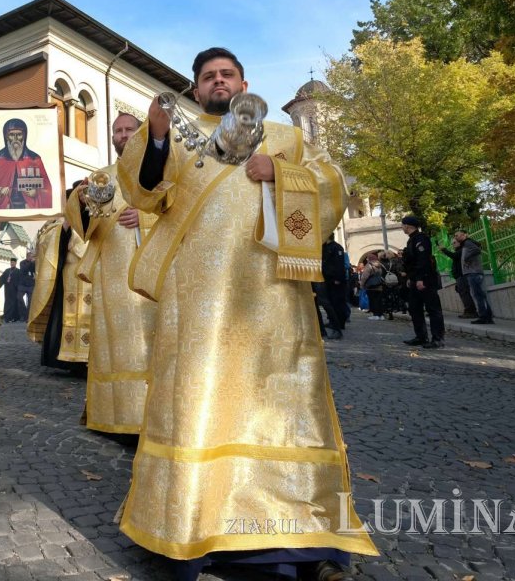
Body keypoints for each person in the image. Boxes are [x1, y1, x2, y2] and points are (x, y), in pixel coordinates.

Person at [118, 47, 378, 581]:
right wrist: (158, 132)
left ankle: (306, 549)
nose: (218, 81)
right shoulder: (174, 140)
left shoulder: (285, 138)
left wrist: (282, 177)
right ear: (195, 90)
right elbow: (141, 194)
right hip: (197, 304)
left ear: (243, 81)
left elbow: (333, 189)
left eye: (226, 74)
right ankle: (201, 539)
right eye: (208, 77)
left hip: (273, 300)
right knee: (198, 405)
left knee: (284, 408)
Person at [67, 112, 157, 435]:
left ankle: (150, 417)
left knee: (149, 344)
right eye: (117, 131)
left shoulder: (159, 171)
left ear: (141, 132)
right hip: (110, 274)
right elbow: (83, 225)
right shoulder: (100, 177)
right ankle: (113, 416)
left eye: (128, 129)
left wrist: (145, 217)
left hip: (150, 273)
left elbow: (180, 213)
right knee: (114, 346)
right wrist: (77, 201)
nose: (122, 135)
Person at [27, 185, 92, 373]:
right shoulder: (59, 221)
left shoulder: (100, 215)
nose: (83, 200)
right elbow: (47, 243)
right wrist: (65, 227)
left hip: (94, 276)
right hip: (70, 277)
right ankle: (68, 360)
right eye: (79, 197)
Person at [0, 117, 53, 209]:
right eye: (11, 135)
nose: (15, 139)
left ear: (25, 136)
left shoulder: (34, 159)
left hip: (28, 208)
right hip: (5, 209)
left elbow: (47, 189)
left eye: (19, 134)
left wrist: (36, 191)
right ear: (6, 136)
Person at [400, 215, 445, 349]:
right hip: (415, 279)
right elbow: (411, 263)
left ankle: (438, 339)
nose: (402, 227)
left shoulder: (421, 239)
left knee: (433, 309)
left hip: (425, 279)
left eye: (402, 225)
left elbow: (423, 260)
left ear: (407, 225)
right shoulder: (411, 240)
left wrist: (420, 278)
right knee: (414, 309)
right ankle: (421, 336)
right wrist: (410, 278)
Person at [455, 229, 495, 324]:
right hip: (473, 273)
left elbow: (477, 250)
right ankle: (487, 316)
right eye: (455, 236)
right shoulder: (466, 244)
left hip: (474, 273)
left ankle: (484, 317)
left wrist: (466, 257)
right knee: (480, 295)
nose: (456, 237)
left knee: (478, 295)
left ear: (465, 235)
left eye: (458, 235)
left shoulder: (468, 242)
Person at [320, 234, 350, 340]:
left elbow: (339, 264)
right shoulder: (325, 247)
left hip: (335, 280)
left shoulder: (336, 247)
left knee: (337, 303)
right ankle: (333, 322)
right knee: (331, 302)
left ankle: (340, 324)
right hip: (328, 279)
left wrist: (338, 278)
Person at [440, 235, 477, 319]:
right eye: (452, 243)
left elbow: (454, 256)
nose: (453, 244)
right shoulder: (458, 251)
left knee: (465, 293)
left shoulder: (462, 250)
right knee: (462, 292)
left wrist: (444, 249)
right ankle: (468, 310)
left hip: (462, 275)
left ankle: (471, 311)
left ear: (460, 243)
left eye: (454, 243)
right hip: (459, 276)